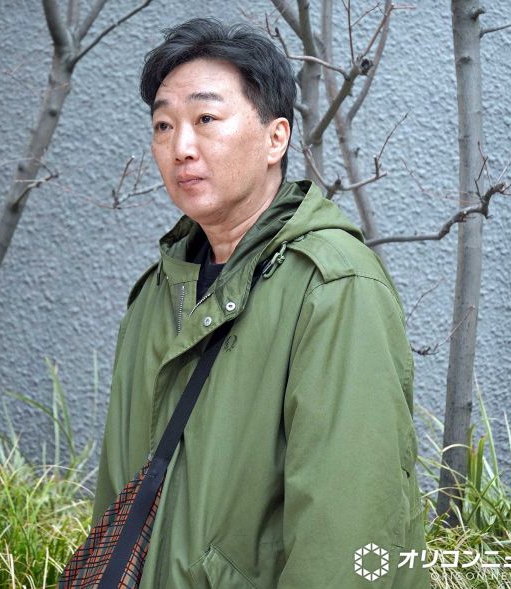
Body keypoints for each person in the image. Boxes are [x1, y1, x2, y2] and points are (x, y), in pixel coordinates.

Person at [92, 16, 430, 588]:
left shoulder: (332, 286)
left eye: (206, 119)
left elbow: (347, 532)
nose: (181, 147)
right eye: (163, 125)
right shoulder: (158, 293)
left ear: (276, 138)